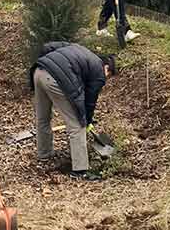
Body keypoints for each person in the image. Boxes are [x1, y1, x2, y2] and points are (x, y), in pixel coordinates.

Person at [31, 41, 116, 180]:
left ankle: (44, 154)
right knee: (77, 126)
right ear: (107, 68)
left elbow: (47, 47)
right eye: (109, 75)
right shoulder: (99, 72)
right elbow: (89, 101)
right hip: (54, 80)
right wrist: (87, 121)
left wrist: (48, 65)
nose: (107, 78)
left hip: (39, 71)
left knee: (43, 117)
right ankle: (80, 170)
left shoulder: (80, 50)